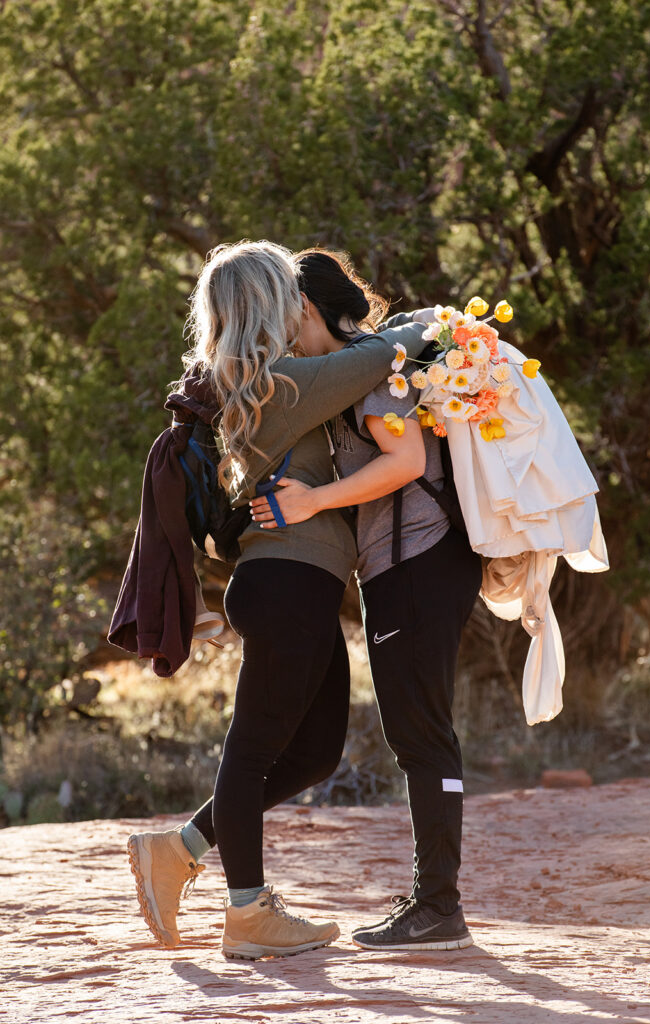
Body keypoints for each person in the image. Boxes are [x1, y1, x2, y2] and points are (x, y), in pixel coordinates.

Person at [126, 240, 432, 960]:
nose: (301, 302)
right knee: (254, 749)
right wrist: (438, 325)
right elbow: (376, 357)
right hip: (285, 582)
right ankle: (247, 914)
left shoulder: (248, 381)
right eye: (289, 292)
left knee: (314, 753)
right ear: (272, 303)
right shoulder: (281, 384)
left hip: (295, 584)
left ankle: (180, 850)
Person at [249, 248, 482, 951]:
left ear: (306, 309)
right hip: (410, 566)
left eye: (284, 315)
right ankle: (432, 900)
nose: (280, 332)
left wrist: (314, 500)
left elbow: (405, 460)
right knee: (420, 734)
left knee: (422, 735)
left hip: (418, 562)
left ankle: (437, 907)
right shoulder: (359, 371)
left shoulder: (373, 368)